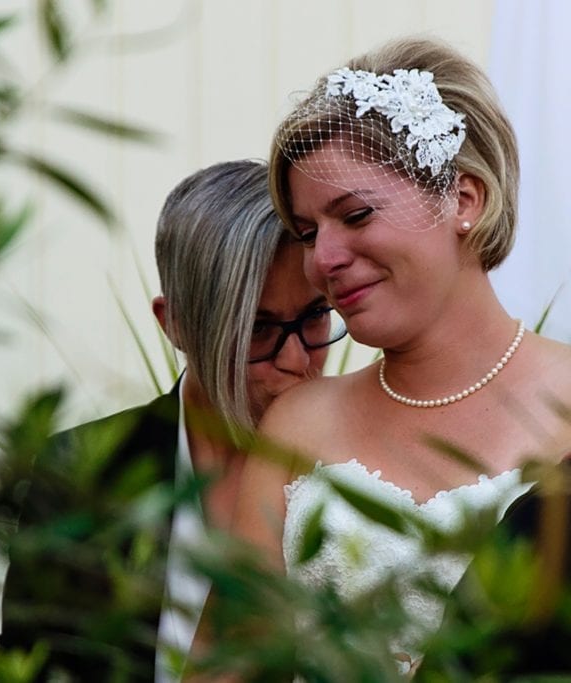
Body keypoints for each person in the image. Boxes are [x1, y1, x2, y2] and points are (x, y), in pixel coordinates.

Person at [226, 37, 571, 673]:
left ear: (465, 199)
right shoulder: (298, 424)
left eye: (354, 215)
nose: (322, 260)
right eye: (308, 233)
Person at [0, 160, 345, 683]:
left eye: (315, 316)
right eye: (256, 329)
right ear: (174, 323)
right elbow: (29, 668)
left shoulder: (366, 468)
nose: (296, 359)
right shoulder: (80, 471)